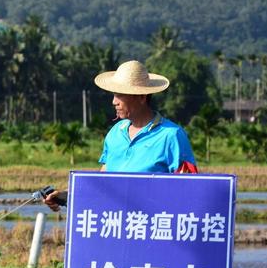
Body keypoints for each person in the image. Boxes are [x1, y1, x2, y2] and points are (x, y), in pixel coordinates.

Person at [45, 60, 197, 211]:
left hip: (152, 225)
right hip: (116, 226)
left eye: (120, 95)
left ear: (141, 97)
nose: (114, 102)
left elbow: (189, 190)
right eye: (113, 95)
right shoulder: (115, 132)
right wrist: (66, 196)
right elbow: (102, 182)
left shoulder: (171, 135)